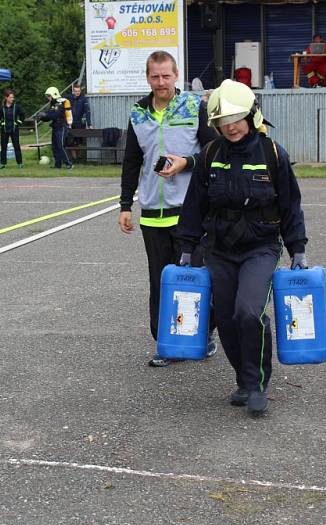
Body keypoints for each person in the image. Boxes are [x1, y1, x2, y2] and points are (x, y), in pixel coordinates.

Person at [177, 79, 308, 415]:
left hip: (260, 247)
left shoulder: (273, 154)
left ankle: (257, 382)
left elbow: (291, 206)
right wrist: (187, 248)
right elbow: (195, 204)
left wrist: (298, 249)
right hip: (219, 248)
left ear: (252, 116)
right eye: (222, 121)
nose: (230, 126)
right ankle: (243, 379)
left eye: (236, 118)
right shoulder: (210, 155)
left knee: (248, 312)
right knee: (227, 318)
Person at [118, 50, 219, 367]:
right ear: (147, 78)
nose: (161, 82)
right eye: (155, 76)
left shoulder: (194, 107)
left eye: (166, 76)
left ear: (177, 76)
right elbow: (132, 162)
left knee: (193, 280)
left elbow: (214, 149)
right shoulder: (138, 114)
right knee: (160, 282)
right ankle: (165, 343)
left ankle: (202, 337)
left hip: (190, 213)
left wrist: (187, 163)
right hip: (152, 215)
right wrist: (125, 205)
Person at [37, 87, 73, 170]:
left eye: (49, 96)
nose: (48, 98)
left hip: (62, 127)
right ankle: (57, 165)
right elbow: (50, 116)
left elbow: (55, 115)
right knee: (55, 147)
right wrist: (41, 117)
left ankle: (69, 164)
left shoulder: (60, 103)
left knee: (61, 146)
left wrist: (45, 114)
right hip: (56, 127)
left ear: (54, 95)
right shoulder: (53, 104)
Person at [0, 89, 25, 169]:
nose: (12, 99)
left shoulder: (17, 107)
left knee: (16, 146)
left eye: (13, 97)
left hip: (14, 130)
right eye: (11, 97)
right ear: (6, 98)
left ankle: (19, 163)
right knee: (3, 147)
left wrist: (18, 123)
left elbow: (23, 116)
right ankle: (3, 164)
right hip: (4, 130)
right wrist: (1, 123)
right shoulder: (1, 108)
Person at [66, 84, 91, 161]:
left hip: (79, 123)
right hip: (70, 123)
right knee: (71, 142)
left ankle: (78, 157)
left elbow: (87, 112)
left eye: (78, 91)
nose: (77, 92)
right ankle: (74, 158)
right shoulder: (68, 98)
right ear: (73, 91)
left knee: (79, 142)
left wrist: (89, 124)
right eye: (75, 91)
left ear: (80, 91)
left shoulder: (84, 99)